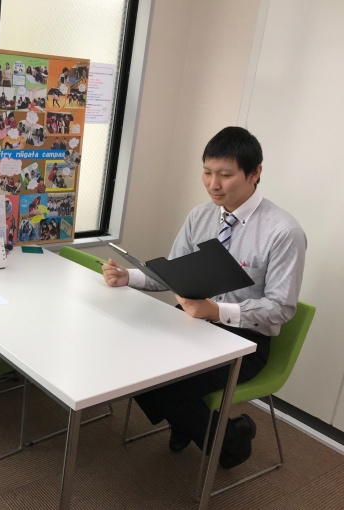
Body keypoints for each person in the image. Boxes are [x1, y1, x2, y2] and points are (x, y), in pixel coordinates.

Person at [101, 126, 306, 469]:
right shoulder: (201, 215)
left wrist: (216, 310)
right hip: (190, 324)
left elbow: (280, 308)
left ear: (255, 173)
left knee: (168, 386)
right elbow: (174, 272)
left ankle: (231, 444)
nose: (213, 184)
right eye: (207, 172)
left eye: (225, 175)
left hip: (244, 341)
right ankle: (192, 423)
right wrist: (129, 277)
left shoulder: (283, 232)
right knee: (130, 360)